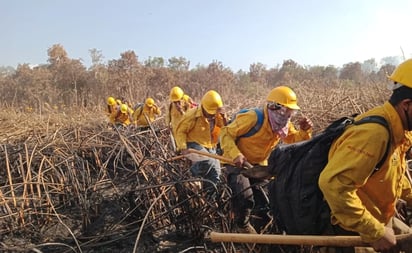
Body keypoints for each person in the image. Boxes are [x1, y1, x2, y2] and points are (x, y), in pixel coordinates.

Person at [318, 58, 412, 253]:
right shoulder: (374, 134)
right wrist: (374, 232)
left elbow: (390, 175)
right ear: (407, 104)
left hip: (379, 217)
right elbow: (333, 185)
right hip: (353, 228)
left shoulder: (400, 132)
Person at [219, 85, 313, 234]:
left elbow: (294, 141)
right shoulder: (253, 118)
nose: (287, 116)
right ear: (273, 107)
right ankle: (241, 226)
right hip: (236, 162)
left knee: (267, 200)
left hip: (258, 166)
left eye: (291, 112)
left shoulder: (282, 125)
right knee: (245, 197)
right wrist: (235, 154)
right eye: (285, 111)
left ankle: (262, 233)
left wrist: (304, 131)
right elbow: (225, 133)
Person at [174, 90, 229, 197]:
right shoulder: (192, 115)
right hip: (193, 144)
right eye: (210, 112)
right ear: (203, 107)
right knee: (206, 160)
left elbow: (226, 129)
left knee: (215, 174)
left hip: (210, 145)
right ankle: (192, 177)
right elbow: (180, 131)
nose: (212, 115)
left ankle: (209, 199)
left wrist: (225, 119)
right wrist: (183, 147)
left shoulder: (219, 114)